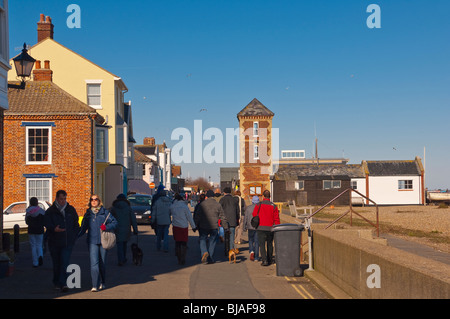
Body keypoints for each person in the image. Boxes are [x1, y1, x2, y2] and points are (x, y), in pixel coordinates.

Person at [79, 194, 117, 292]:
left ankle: (102, 282)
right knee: (94, 264)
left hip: (103, 241)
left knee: (102, 263)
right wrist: (75, 236)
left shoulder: (105, 213)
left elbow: (114, 222)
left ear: (99, 201)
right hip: (92, 241)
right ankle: (94, 285)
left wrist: (106, 227)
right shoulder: (88, 214)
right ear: (90, 202)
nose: (94, 201)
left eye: (96, 199)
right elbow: (83, 228)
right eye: (92, 200)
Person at [44, 190, 80, 292]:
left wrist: (74, 236)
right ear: (56, 199)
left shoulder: (70, 210)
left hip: (67, 242)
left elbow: (76, 224)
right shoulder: (51, 211)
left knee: (64, 262)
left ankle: (63, 283)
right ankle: (56, 282)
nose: (63, 201)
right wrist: (53, 229)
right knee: (56, 263)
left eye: (64, 199)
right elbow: (46, 223)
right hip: (54, 242)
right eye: (61, 199)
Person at [194, 190, 228, 264]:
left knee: (202, 239)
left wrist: (195, 225)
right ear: (213, 196)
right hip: (214, 226)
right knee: (212, 241)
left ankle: (204, 252)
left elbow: (197, 216)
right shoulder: (218, 205)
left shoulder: (202, 204)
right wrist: (225, 227)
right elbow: (222, 217)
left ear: (207, 196)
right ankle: (210, 258)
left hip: (203, 226)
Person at [252, 190, 280, 266]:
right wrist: (277, 227)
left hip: (260, 227)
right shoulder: (274, 206)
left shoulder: (259, 205)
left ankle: (264, 260)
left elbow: (254, 214)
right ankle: (270, 259)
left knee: (262, 244)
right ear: (270, 197)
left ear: (263, 196)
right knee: (270, 244)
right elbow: (276, 219)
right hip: (270, 228)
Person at [111, 193, 138, 266]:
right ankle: (124, 258)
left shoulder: (114, 208)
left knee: (119, 244)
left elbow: (109, 219)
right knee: (124, 244)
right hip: (126, 229)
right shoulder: (128, 208)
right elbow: (133, 219)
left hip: (117, 229)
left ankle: (121, 259)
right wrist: (135, 230)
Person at [170, 193, 197, 265]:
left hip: (176, 226)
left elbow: (169, 214)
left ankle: (178, 257)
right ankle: (183, 258)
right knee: (184, 243)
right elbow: (189, 217)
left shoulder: (172, 206)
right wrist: (193, 227)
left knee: (177, 242)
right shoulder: (184, 206)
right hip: (184, 227)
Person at [25, 197, 45, 268]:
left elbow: (27, 221)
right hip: (39, 230)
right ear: (37, 202)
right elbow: (44, 221)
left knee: (33, 246)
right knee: (39, 245)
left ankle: (35, 262)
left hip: (31, 230)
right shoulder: (41, 211)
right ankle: (40, 256)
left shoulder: (28, 211)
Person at [219, 187, 240, 255]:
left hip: (224, 220)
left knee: (226, 236)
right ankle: (231, 250)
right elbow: (237, 210)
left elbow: (219, 210)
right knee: (232, 236)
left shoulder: (222, 200)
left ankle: (226, 249)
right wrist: (237, 218)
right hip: (233, 220)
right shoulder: (234, 200)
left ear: (224, 192)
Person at [243, 196, 261, 262]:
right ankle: (256, 257)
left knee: (250, 240)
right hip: (257, 227)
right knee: (257, 242)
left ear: (252, 201)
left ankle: (251, 251)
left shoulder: (248, 208)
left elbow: (246, 218)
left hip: (250, 227)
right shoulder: (260, 208)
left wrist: (244, 227)